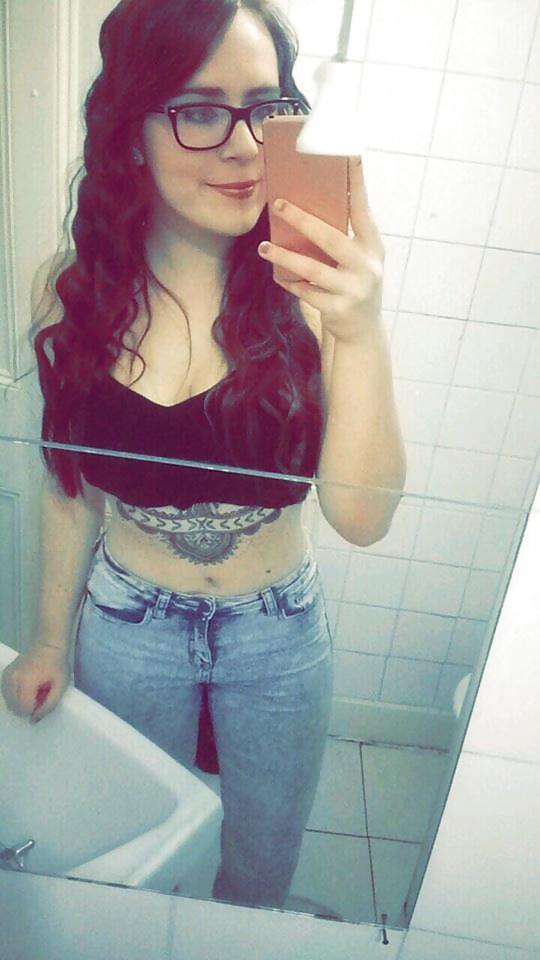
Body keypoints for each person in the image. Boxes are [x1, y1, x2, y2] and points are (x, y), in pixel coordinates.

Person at [1, 0, 406, 910]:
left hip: (277, 632)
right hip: (127, 625)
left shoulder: (313, 294)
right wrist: (47, 640)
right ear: (129, 129)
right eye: (198, 110)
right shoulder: (72, 294)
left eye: (265, 107)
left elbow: (362, 517)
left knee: (260, 868)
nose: (244, 146)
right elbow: (69, 487)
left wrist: (362, 330)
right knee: (139, 856)